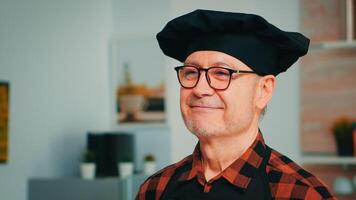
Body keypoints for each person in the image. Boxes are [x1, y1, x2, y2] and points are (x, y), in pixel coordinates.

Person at [136, 9, 335, 200]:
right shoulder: (155, 190)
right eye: (191, 72)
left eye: (222, 73)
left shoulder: (301, 193)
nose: (200, 89)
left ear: (263, 91)